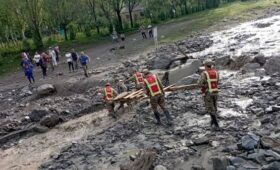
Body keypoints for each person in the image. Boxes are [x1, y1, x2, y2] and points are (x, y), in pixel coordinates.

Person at [197, 59, 220, 130]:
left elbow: (199, 83)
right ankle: (212, 123)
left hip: (208, 93)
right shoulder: (216, 72)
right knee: (214, 106)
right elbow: (217, 81)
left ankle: (217, 126)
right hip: (215, 91)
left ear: (206, 66)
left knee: (210, 108)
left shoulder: (204, 73)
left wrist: (205, 85)